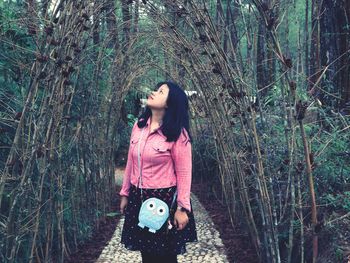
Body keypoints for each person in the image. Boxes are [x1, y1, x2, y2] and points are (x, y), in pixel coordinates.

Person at [119, 81, 198, 263]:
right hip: (139, 198)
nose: (154, 92)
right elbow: (131, 163)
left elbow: (185, 173)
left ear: (170, 103)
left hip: (164, 202)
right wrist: (125, 194)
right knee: (147, 255)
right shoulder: (138, 127)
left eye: (161, 92)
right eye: (156, 89)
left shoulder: (178, 134)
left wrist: (182, 208)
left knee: (165, 256)